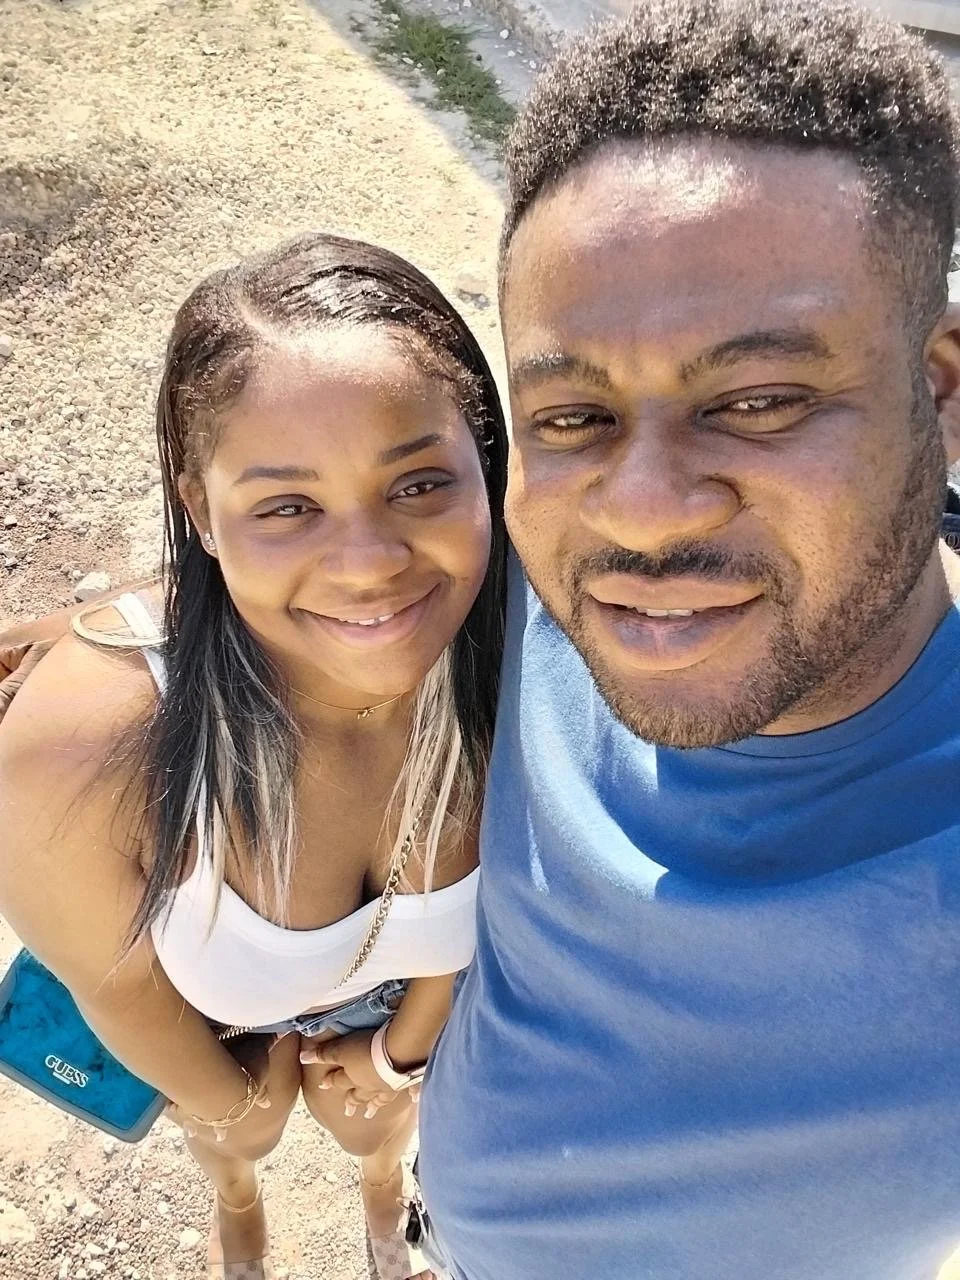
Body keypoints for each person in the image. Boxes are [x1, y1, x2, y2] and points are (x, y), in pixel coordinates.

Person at [416, 2, 960, 1278]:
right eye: (573, 415)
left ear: (940, 387)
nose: (643, 511)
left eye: (758, 400)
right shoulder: (518, 582)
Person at [0, 231, 507, 1280]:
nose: (369, 565)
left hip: (399, 1014)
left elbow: (490, 914)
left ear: (485, 465)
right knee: (230, 1150)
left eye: (419, 484)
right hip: (217, 1025)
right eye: (287, 506)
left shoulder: (529, 667)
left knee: (380, 1141)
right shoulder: (77, 750)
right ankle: (238, 1200)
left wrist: (398, 1060)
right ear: (201, 510)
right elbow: (120, 991)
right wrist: (237, 1106)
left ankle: (383, 1190)